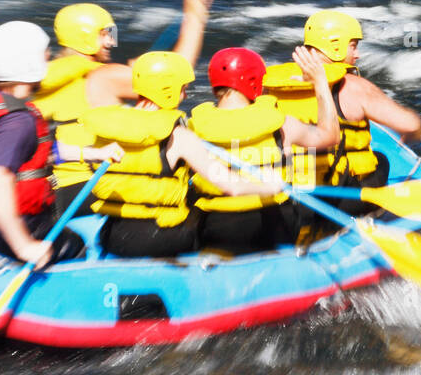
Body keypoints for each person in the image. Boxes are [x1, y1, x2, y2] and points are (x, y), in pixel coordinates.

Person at [0, 21, 122, 265]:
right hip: (6, 231)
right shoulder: (18, 122)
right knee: (77, 246)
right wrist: (24, 246)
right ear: (31, 66)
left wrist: (94, 153)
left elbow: (39, 153)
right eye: (45, 60)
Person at [81, 51, 286, 258]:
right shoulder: (179, 137)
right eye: (183, 89)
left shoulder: (110, 127)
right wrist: (269, 186)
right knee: (207, 223)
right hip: (161, 238)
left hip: (114, 235)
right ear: (167, 90)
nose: (185, 96)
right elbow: (230, 185)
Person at [34, 0, 212, 211]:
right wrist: (195, 17)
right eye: (104, 34)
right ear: (85, 37)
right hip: (90, 188)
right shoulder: (104, 76)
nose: (110, 41)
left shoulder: (40, 77)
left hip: (53, 189)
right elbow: (175, 73)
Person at [265, 10, 421, 214]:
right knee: (382, 160)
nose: (357, 54)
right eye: (353, 45)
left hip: (288, 192)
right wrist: (414, 133)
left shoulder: (272, 84)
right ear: (335, 46)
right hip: (336, 195)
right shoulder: (352, 86)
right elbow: (411, 125)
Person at [189, 46, 338, 253]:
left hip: (216, 228)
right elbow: (331, 136)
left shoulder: (191, 130)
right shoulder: (282, 125)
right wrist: (320, 84)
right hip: (274, 226)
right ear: (253, 82)